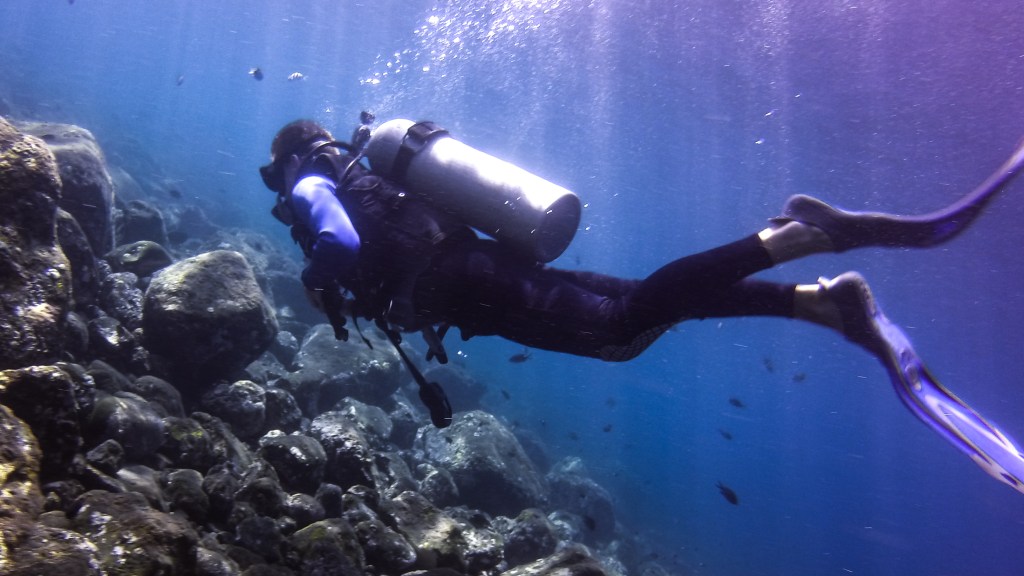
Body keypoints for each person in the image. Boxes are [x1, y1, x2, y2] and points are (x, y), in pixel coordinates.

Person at [260, 117, 1024, 493]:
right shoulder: (372, 170)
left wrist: (318, 278)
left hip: (462, 284)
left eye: (279, 173)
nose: (282, 187)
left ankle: (794, 238)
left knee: (622, 330)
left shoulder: (310, 182)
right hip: (475, 266)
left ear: (294, 157)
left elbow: (338, 241)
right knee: (636, 301)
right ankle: (820, 305)